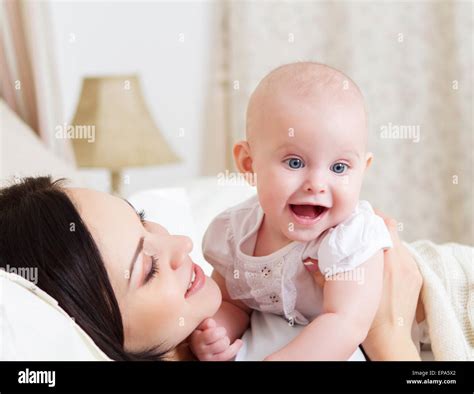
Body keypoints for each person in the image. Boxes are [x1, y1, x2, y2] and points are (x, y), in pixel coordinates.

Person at [0, 176, 422, 361]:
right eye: (149, 269)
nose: (182, 244)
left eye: (143, 217)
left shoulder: (218, 317)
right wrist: (389, 335)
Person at [193, 62, 397, 361]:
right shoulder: (234, 234)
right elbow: (233, 303)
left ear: (362, 171)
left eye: (339, 167)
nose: (317, 184)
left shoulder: (351, 238)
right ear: (249, 164)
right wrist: (217, 333)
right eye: (295, 162)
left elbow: (345, 322)